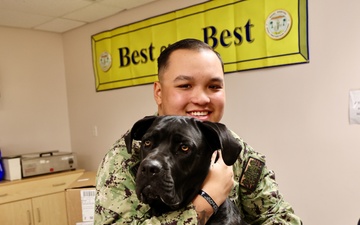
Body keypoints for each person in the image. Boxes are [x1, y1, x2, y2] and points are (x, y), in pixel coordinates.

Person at [94, 38, 302, 224]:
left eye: (213, 86)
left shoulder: (231, 147)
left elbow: (278, 216)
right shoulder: (126, 155)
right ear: (159, 92)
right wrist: (207, 202)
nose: (202, 98)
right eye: (185, 85)